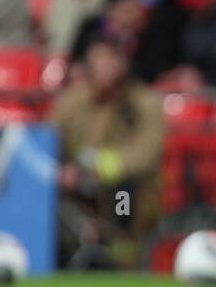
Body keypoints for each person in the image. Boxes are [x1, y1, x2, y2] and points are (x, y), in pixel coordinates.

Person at [51, 34, 166, 270]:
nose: (108, 66)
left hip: (124, 191)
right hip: (77, 191)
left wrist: (96, 168)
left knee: (124, 191)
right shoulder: (72, 102)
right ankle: (61, 256)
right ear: (89, 64)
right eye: (101, 58)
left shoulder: (144, 102)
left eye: (114, 58)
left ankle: (122, 253)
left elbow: (146, 152)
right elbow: (46, 140)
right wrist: (59, 171)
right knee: (45, 190)